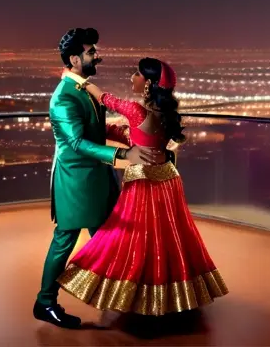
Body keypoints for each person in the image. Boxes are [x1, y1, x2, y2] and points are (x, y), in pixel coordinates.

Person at [57, 57, 228, 317]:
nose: (131, 78)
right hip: (169, 179)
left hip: (144, 181)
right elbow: (138, 136)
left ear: (148, 83)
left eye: (136, 74)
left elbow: (105, 98)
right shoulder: (164, 114)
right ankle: (170, 297)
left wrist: (75, 80)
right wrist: (104, 131)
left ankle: (137, 296)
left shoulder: (138, 111)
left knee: (136, 238)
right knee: (169, 239)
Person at [34, 29, 165, 329]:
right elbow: (78, 143)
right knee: (65, 240)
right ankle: (45, 302)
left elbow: (96, 128)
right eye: (91, 52)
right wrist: (122, 157)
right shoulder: (63, 98)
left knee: (109, 237)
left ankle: (122, 295)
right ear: (74, 59)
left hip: (95, 179)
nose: (96, 56)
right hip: (75, 182)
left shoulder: (83, 89)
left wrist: (124, 134)